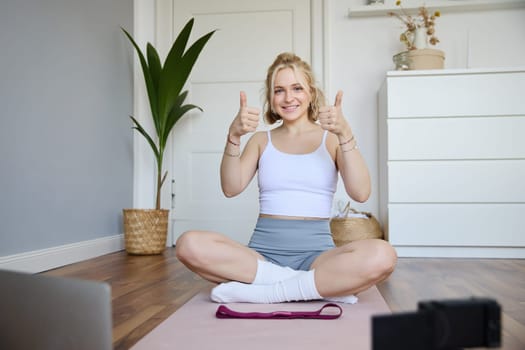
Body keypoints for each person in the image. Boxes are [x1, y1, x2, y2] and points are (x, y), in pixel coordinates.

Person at [175, 52, 397, 304]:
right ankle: (311, 287)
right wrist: (233, 136)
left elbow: (361, 193)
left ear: (311, 93)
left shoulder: (332, 138)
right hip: (261, 256)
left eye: (297, 88)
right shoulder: (261, 140)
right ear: (271, 98)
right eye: (279, 90)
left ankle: (270, 291)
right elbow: (230, 187)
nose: (288, 97)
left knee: (383, 254)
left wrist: (345, 133)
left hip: (317, 258)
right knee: (187, 244)